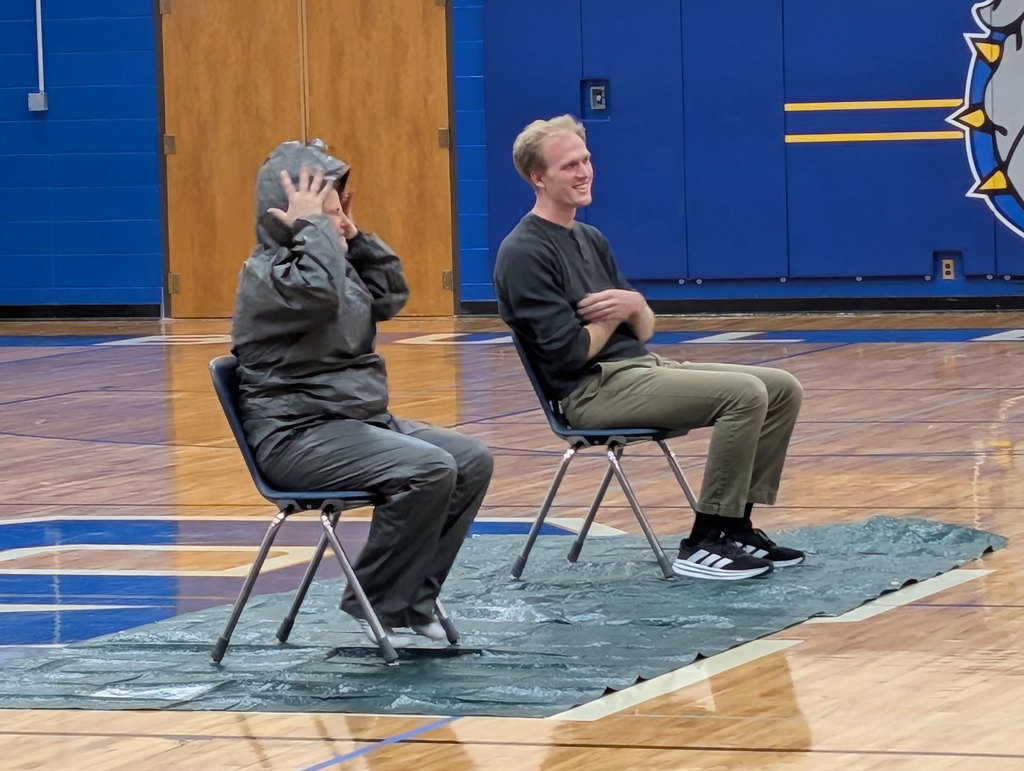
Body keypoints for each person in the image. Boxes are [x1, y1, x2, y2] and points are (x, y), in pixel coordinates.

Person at [494, 116, 803, 581]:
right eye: (568, 166)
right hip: (588, 392)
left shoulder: (589, 238)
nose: (583, 172)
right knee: (744, 393)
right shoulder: (523, 252)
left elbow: (644, 328)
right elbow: (570, 355)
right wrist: (620, 314)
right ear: (538, 178)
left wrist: (633, 304)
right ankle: (705, 539)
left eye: (586, 160)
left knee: (781, 387)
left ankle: (735, 525)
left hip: (637, 369)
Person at [231, 139, 493, 646]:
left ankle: (413, 598)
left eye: (340, 212)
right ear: (288, 221)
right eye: (326, 214)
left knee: (471, 460)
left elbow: (390, 295)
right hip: (295, 435)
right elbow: (319, 295)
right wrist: (314, 231)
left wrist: (354, 234)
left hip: (352, 423)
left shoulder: (327, 263)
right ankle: (376, 600)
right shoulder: (270, 277)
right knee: (429, 469)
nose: (339, 223)